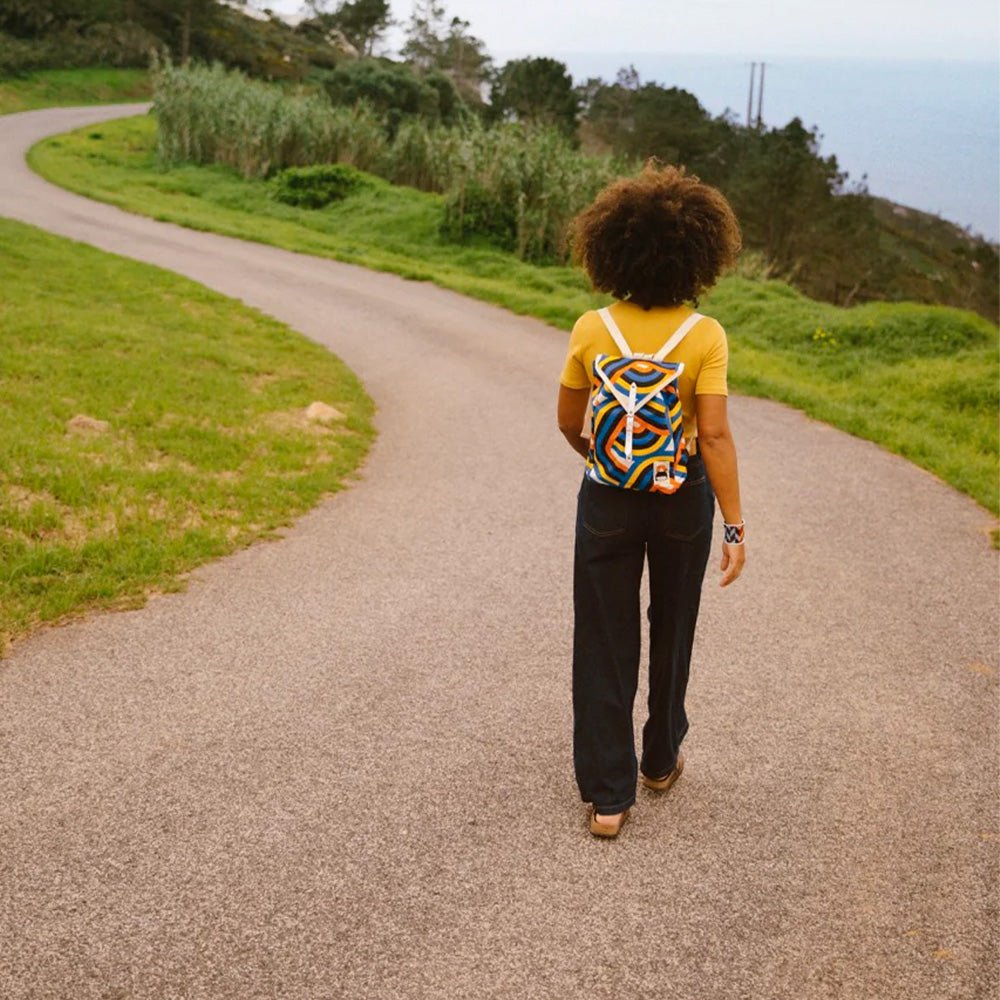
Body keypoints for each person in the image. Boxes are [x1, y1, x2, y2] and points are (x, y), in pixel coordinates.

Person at [557, 162, 746, 838]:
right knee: (674, 626)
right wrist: (735, 527)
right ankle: (661, 758)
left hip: (607, 497)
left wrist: (604, 460)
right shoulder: (705, 336)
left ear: (611, 249)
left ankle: (609, 797)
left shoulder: (590, 328)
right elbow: (715, 434)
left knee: (603, 637)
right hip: (679, 500)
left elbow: (568, 421)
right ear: (700, 255)